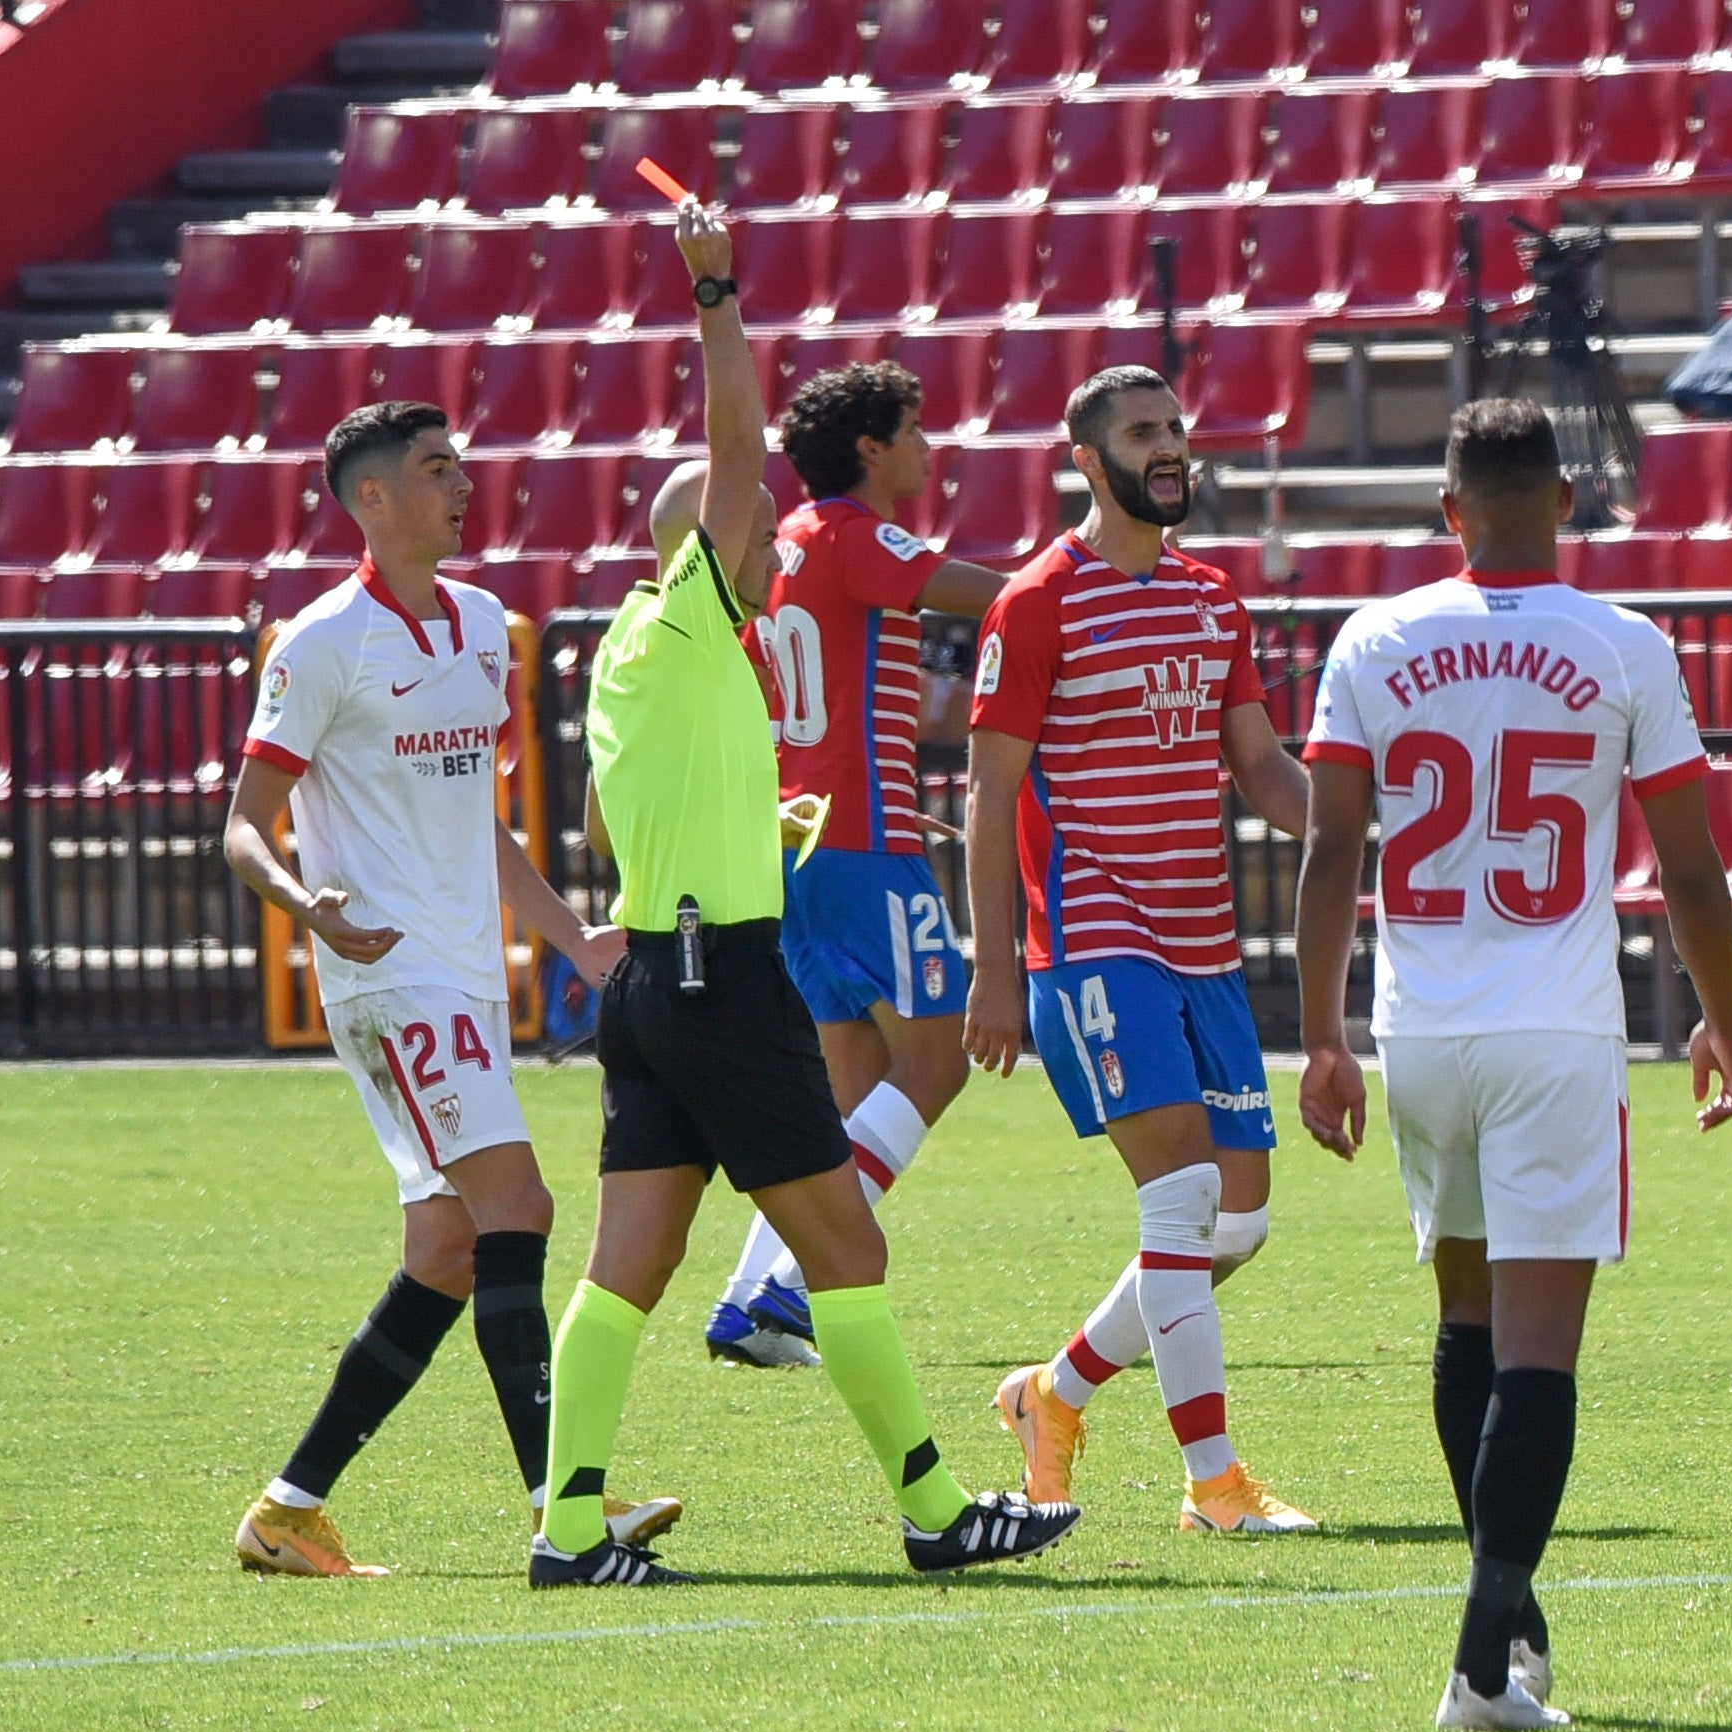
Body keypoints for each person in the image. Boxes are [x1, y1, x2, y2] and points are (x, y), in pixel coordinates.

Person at [537, 199, 1076, 1587]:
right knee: (841, 1248)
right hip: (724, 981)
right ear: (707, 549)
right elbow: (732, 454)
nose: (773, 554)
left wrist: (736, 818)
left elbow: (604, 816)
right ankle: (939, 1512)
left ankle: (567, 1530)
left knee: (620, 1274)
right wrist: (716, 297)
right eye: (755, 537)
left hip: (654, 975)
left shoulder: (622, 651)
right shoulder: (707, 603)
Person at [1295, 398, 1732, 1732]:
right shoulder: (1622, 643)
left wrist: (1320, 1033)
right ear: (1564, 500)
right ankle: (1482, 1666)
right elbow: (1687, 864)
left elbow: (1331, 850)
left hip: (1417, 1024)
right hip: (1552, 1028)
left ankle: (1513, 1621)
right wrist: (1719, 1017)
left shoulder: (1373, 636)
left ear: (1447, 511)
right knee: (1539, 1352)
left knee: (1465, 1329)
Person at [225, 400, 673, 1576]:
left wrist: (573, 938)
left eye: (462, 463)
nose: (463, 483)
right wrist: (306, 903)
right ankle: (566, 1512)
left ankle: (284, 1512)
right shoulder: (321, 643)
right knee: (519, 1207)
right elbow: (242, 829)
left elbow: (470, 818)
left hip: (467, 978)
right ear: (370, 497)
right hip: (390, 979)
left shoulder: (483, 626)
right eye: (435, 469)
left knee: (447, 1248)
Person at [964, 365, 1317, 1533]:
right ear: (1087, 458)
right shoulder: (1037, 599)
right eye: (1142, 432)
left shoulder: (1214, 597)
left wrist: (1374, 820)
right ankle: (1215, 1485)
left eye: (1174, 428)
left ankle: (1050, 1394)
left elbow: (1262, 771)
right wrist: (996, 964)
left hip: (1203, 942)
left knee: (1240, 1218)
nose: (1170, 447)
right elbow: (989, 790)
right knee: (1178, 1201)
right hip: (1095, 939)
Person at [700, 360, 1006, 1369]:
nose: (928, 447)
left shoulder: (778, 546)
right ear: (870, 449)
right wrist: (1087, 586)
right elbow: (999, 601)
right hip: (862, 844)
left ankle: (749, 1297)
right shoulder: (856, 534)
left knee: (851, 1086)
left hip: (794, 843)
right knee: (938, 1056)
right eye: (914, 427)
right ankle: (792, 1285)